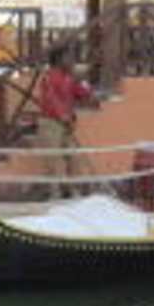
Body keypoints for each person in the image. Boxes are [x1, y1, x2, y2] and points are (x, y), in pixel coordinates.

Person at [34, 45, 96, 197]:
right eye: (68, 57)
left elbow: (83, 93)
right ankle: (54, 194)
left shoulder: (70, 78)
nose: (71, 60)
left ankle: (72, 190)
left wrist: (83, 83)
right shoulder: (49, 78)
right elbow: (50, 100)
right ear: (59, 59)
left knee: (74, 157)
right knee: (53, 160)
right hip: (51, 123)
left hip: (66, 124)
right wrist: (62, 115)